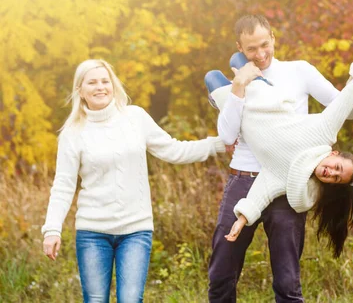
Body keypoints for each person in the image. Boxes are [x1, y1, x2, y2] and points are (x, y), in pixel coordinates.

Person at [206, 14, 353, 302]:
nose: (260, 55)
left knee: (287, 278)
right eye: (251, 50)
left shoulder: (300, 72)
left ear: (273, 36)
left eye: (264, 45)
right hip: (244, 179)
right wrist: (238, 87)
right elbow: (228, 136)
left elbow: (350, 111)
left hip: (291, 182)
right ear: (239, 48)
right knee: (222, 271)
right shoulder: (240, 79)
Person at [41, 59, 226, 303]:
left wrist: (219, 144)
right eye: (92, 82)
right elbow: (63, 185)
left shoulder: (135, 117)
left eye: (105, 81)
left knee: (130, 300)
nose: (100, 87)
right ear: (80, 90)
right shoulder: (73, 133)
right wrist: (52, 229)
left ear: (113, 85)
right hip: (92, 231)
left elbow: (173, 150)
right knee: (95, 300)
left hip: (136, 230)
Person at [205, 56, 353, 258]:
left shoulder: (290, 179)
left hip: (240, 113)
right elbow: (344, 103)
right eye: (337, 167)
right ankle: (240, 85)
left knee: (211, 76)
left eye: (336, 178)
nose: (331, 173)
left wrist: (241, 220)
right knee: (237, 58)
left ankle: (229, 95)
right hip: (263, 94)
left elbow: (261, 193)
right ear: (334, 153)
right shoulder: (323, 133)